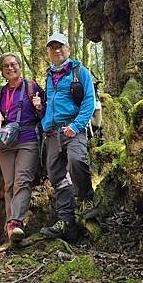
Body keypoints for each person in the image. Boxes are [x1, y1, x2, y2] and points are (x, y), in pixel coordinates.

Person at [37, 32, 96, 241]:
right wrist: (41, 111)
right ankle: (66, 223)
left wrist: (76, 125)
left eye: (60, 46)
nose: (57, 50)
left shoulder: (80, 72)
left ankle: (87, 198)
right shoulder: (48, 76)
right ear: (49, 52)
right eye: (53, 48)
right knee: (57, 177)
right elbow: (52, 105)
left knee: (77, 160)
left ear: (68, 49)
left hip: (74, 128)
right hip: (52, 132)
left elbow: (89, 101)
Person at [0, 53, 44, 243]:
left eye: (13, 64)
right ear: (2, 71)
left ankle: (16, 222)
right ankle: (9, 226)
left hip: (28, 139)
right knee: (9, 184)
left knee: (23, 180)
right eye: (6, 66)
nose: (10, 68)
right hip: (6, 142)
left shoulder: (32, 87)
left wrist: (39, 107)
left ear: (20, 66)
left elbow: (45, 115)